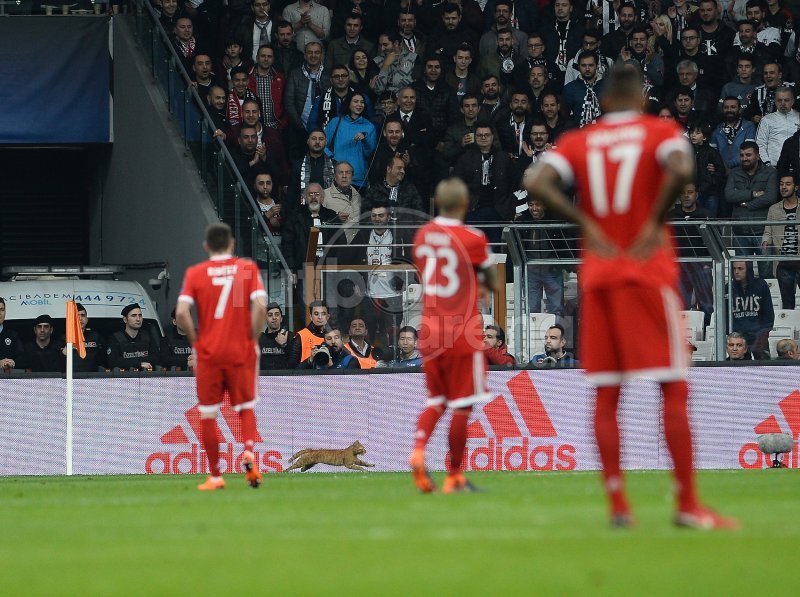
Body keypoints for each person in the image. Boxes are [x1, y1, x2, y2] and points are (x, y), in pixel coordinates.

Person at [524, 65, 737, 529]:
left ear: (602, 102)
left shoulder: (580, 141)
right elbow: (682, 168)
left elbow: (535, 180)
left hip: (599, 277)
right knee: (673, 388)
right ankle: (687, 505)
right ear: (641, 98)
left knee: (606, 396)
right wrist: (652, 221)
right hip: (647, 273)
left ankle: (619, 507)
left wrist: (586, 225)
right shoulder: (660, 131)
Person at [409, 177, 500, 494]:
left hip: (430, 330)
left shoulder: (422, 236)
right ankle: (454, 476)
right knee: (462, 405)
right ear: (464, 204)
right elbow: (492, 276)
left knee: (436, 400)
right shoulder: (473, 238)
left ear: (436, 202)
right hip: (462, 331)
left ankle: (418, 451)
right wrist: (481, 281)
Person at [176, 222, 267, 491]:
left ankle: (216, 476)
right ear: (232, 244)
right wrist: (250, 337)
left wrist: (197, 343)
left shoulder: (196, 273)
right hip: (240, 349)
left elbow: (181, 313)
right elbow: (260, 306)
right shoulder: (245, 269)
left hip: (209, 352)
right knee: (245, 407)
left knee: (208, 414)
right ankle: (248, 451)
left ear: (206, 246)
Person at [724, 140, 778, 278]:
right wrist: (753, 194)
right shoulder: (734, 173)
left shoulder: (770, 172)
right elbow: (729, 195)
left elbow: (771, 197)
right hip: (740, 230)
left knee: (766, 275)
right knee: (743, 275)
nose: (744, 158)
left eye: (748, 155)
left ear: (758, 156)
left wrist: (746, 204)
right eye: (741, 155)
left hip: (763, 231)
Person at [670, 183, 714, 325]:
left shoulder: (706, 215)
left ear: (696, 195)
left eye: (690, 192)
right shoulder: (671, 216)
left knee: (707, 304)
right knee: (680, 304)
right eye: (683, 193)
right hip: (679, 264)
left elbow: (713, 241)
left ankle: (708, 332)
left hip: (702, 263)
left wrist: (708, 263)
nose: (686, 196)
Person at [323, 93, 377, 190]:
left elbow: (371, 154)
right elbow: (322, 144)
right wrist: (332, 158)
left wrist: (365, 139)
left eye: (362, 102)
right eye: (356, 101)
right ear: (348, 104)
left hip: (358, 178)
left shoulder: (370, 127)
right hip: (336, 176)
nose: (359, 105)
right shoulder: (335, 122)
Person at [763, 172, 800, 308]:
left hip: (799, 258)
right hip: (784, 262)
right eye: (781, 184)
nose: (783, 187)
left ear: (796, 187)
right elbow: (768, 230)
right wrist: (765, 241)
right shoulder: (774, 209)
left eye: (788, 184)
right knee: (787, 302)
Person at [730, 260, 775, 359]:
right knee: (739, 370)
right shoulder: (728, 288)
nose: (736, 272)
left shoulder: (761, 285)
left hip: (759, 336)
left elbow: (768, 313)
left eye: (740, 268)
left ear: (748, 270)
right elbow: (724, 315)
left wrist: (763, 333)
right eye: (734, 269)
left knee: (764, 367)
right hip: (738, 337)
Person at [107, 304, 160, 371]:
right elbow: (113, 361)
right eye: (134, 316)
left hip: (147, 378)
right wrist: (138, 363)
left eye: (140, 315)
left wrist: (129, 361)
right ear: (125, 319)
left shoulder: (147, 336)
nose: (138, 319)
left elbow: (157, 358)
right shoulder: (115, 338)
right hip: (124, 379)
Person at [323, 160, 362, 245]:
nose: (344, 176)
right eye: (340, 172)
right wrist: (336, 218)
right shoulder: (324, 196)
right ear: (335, 176)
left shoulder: (358, 196)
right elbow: (320, 223)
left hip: (358, 245)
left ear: (352, 176)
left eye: (348, 173)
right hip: (336, 246)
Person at [286, 300, 330, 368]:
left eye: (323, 313)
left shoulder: (333, 336)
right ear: (310, 317)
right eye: (316, 314)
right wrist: (309, 360)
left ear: (328, 317)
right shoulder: (301, 336)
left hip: (328, 377)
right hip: (306, 377)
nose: (320, 317)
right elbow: (291, 369)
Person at [259, 301, 291, 369]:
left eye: (277, 314)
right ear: (265, 319)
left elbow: (294, 363)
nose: (274, 317)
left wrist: (284, 345)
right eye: (270, 315)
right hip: (264, 378)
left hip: (285, 378)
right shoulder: (259, 339)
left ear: (281, 318)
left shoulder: (290, 336)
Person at [0, 297, 22, 370]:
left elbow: (23, 358)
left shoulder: (13, 335)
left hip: (9, 380)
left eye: (2, 310)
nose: (0, 313)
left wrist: (13, 363)